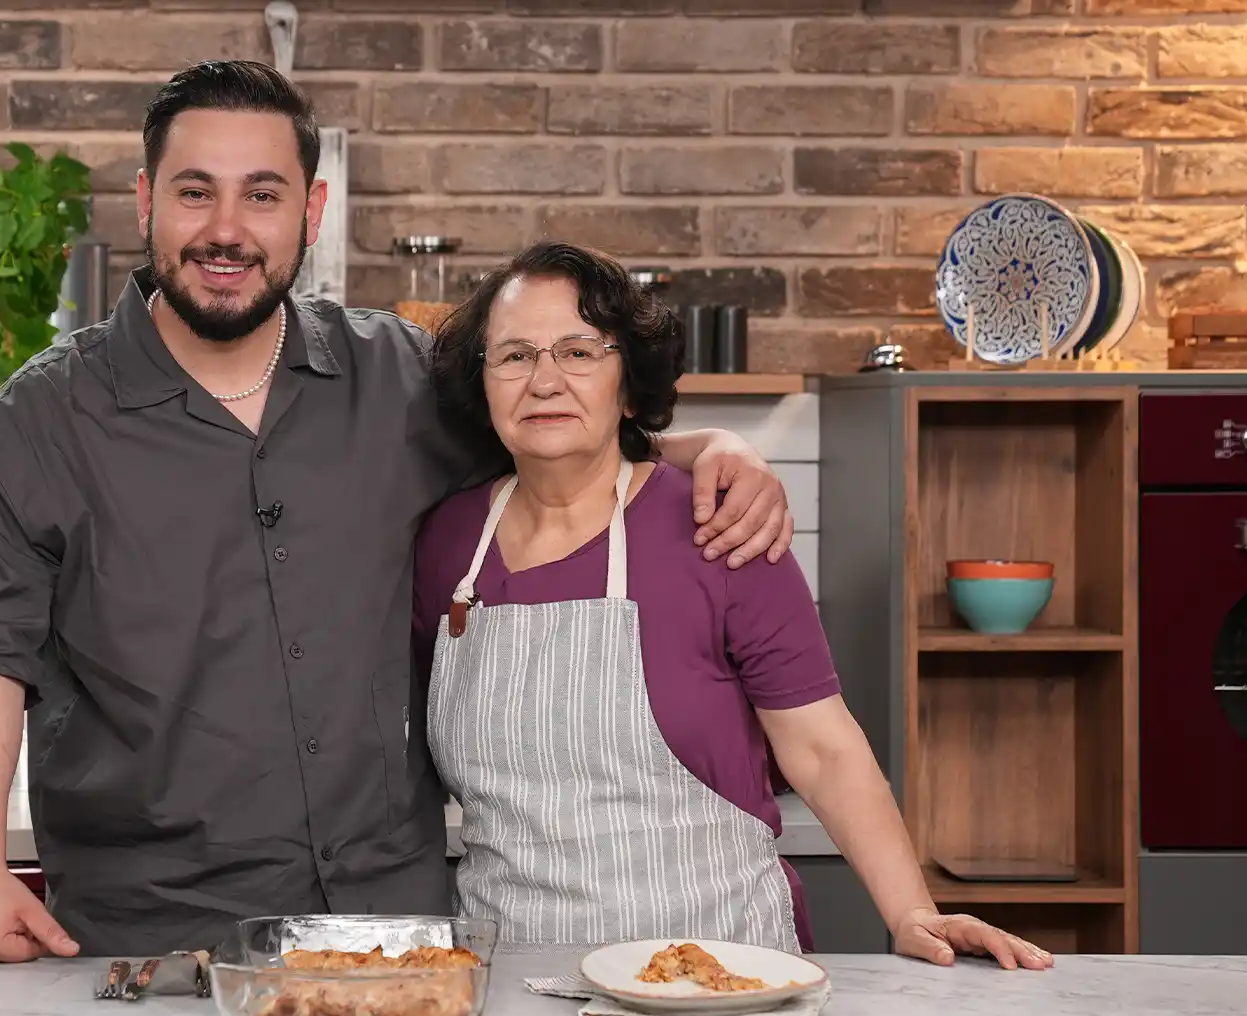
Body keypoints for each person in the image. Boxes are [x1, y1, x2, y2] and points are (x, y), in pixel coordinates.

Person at [0, 60, 798, 963]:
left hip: (396, 935)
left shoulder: (401, 379)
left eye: (262, 195)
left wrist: (706, 449)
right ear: (146, 201)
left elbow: (557, 442)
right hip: (151, 939)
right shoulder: (43, 419)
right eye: (195, 192)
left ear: (311, 210)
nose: (226, 229)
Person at [412, 240, 1053, 971]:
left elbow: (822, 748)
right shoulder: (448, 542)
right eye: (515, 355)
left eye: (579, 352)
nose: (545, 380)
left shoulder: (722, 526)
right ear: (483, 382)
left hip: (720, 969)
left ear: (627, 384)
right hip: (512, 973)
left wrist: (913, 913)